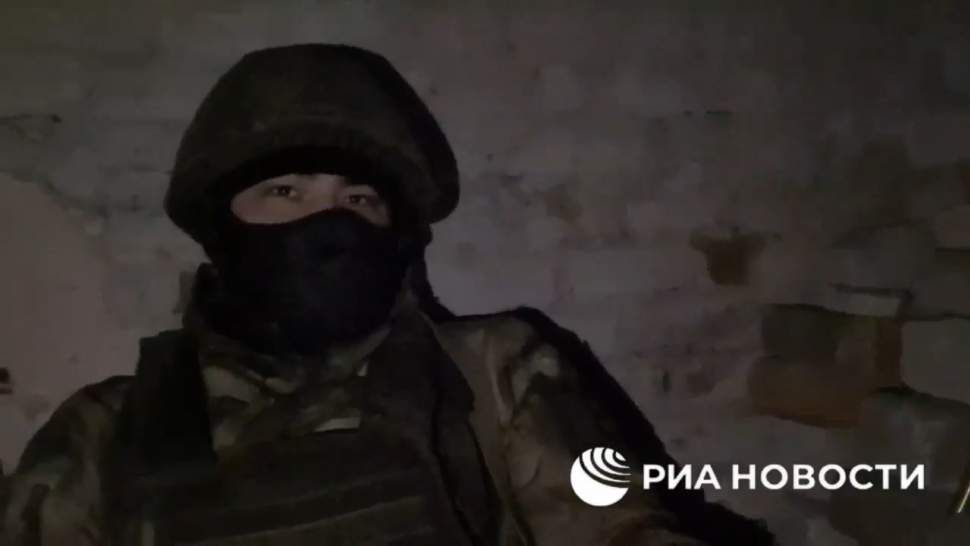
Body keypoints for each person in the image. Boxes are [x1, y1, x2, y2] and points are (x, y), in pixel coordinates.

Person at [0, 44, 774, 546]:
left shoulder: (494, 374)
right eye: (285, 191)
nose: (328, 222)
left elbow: (619, 530)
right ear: (221, 227)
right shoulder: (106, 431)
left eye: (360, 199)